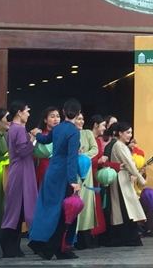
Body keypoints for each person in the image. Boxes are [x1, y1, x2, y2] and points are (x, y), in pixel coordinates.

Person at [28, 99, 82, 261]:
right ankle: (52, 248)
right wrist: (73, 180)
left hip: (52, 172)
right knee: (66, 212)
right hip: (64, 175)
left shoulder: (57, 129)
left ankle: (43, 244)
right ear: (78, 113)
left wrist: (36, 133)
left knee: (49, 209)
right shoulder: (74, 132)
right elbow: (72, 158)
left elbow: (44, 140)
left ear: (63, 112)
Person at [0, 100, 41, 258]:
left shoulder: (13, 129)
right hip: (21, 172)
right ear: (19, 112)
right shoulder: (19, 129)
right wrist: (33, 138)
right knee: (15, 211)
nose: (28, 114)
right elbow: (23, 151)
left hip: (19, 170)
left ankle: (13, 248)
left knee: (17, 211)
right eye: (27, 111)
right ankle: (7, 247)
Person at [100, 122, 146, 247]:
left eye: (131, 133)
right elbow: (129, 164)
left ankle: (125, 238)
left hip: (124, 179)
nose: (130, 135)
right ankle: (127, 239)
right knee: (125, 209)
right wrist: (140, 179)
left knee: (124, 210)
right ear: (120, 133)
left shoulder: (119, 145)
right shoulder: (118, 146)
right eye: (127, 132)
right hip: (121, 181)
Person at [74, 112, 100, 249]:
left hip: (86, 171)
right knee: (74, 201)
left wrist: (82, 156)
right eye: (78, 119)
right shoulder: (69, 134)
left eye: (82, 119)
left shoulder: (87, 133)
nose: (81, 121)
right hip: (73, 171)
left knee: (86, 203)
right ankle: (73, 238)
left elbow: (95, 149)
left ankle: (85, 239)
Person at [129, 137, 153, 236]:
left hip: (137, 194)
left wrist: (141, 175)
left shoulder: (141, 170)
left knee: (150, 196)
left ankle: (150, 229)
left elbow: (141, 186)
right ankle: (136, 230)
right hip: (128, 195)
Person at [88, 115, 108, 242]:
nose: (104, 128)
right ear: (95, 125)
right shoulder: (87, 138)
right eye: (103, 125)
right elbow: (83, 158)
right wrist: (97, 161)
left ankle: (94, 234)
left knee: (96, 205)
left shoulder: (98, 141)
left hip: (96, 176)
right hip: (88, 175)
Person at [34, 106, 61, 189]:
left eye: (58, 116)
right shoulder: (40, 135)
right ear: (45, 120)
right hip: (45, 169)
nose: (56, 119)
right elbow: (33, 155)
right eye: (52, 117)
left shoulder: (63, 134)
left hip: (60, 170)